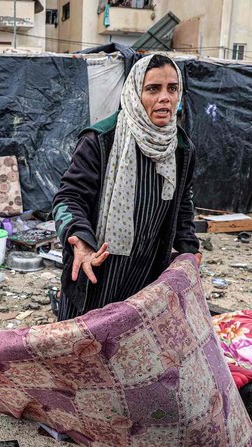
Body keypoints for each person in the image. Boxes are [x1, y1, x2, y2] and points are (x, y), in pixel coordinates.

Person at [53, 54, 201, 321]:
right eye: (153, 89)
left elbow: (183, 204)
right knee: (83, 347)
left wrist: (189, 249)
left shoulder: (181, 149)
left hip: (147, 272)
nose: (165, 97)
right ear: (134, 93)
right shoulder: (100, 140)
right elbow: (69, 197)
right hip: (97, 269)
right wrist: (80, 241)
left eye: (173, 88)